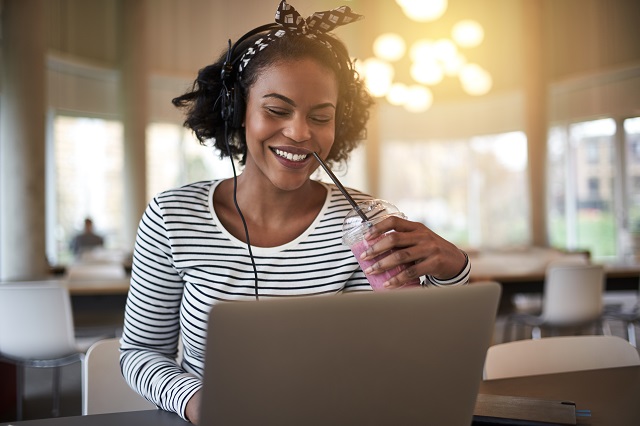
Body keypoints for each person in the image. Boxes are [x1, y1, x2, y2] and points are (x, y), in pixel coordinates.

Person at [120, 1, 470, 424]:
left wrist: (452, 273)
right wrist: (198, 401)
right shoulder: (171, 216)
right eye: (277, 110)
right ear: (237, 111)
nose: (301, 133)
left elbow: (417, 346)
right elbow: (140, 352)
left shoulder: (368, 223)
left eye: (320, 116)